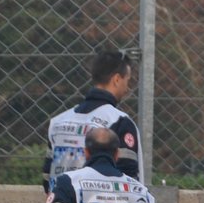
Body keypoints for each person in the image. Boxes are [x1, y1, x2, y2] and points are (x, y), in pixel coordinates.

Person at [45, 50, 144, 185]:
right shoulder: (120, 122)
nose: (127, 88)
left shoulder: (58, 122)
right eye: (127, 80)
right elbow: (129, 182)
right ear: (116, 79)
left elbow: (47, 177)